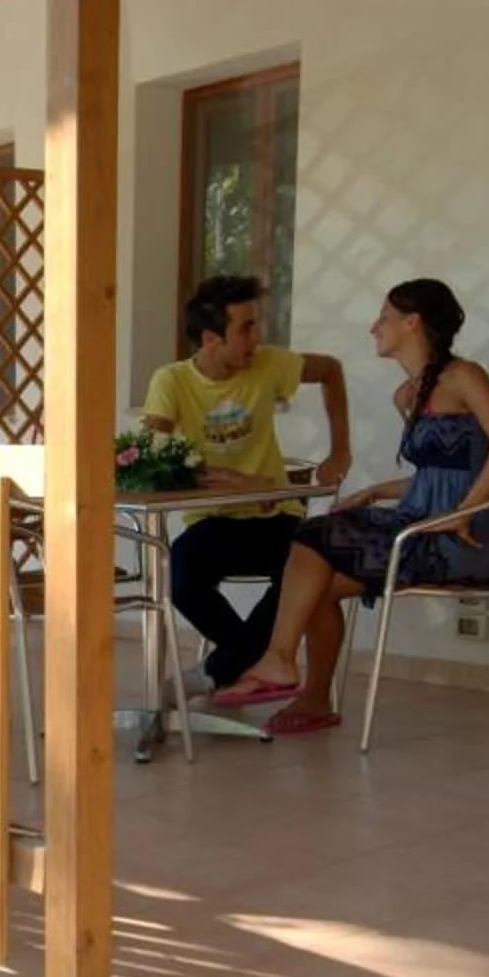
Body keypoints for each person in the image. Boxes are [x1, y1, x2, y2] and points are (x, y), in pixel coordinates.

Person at [210, 278, 489, 736]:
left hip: (459, 538)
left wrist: (464, 512)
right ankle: (314, 698)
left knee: (312, 537)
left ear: (412, 322)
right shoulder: (407, 395)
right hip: (419, 525)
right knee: (316, 574)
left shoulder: (464, 377)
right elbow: (438, 476)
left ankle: (278, 660)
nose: (373, 327)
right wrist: (378, 490)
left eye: (384, 317)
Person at [140, 274, 350, 690]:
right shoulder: (172, 381)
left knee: (303, 573)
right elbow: (151, 459)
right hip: (213, 520)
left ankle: (220, 670)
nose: (257, 338)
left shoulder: (270, 363)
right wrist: (230, 484)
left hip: (277, 513)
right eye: (246, 328)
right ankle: (256, 662)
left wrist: (341, 449)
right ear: (210, 338)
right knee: (177, 576)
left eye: (256, 324)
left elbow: (330, 370)